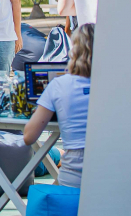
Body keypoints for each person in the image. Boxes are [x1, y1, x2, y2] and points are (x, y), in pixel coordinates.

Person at [24, 22, 93, 188]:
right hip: (112, 174)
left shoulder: (59, 85)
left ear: (73, 51)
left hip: (73, 178)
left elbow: (29, 137)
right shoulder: (117, 86)